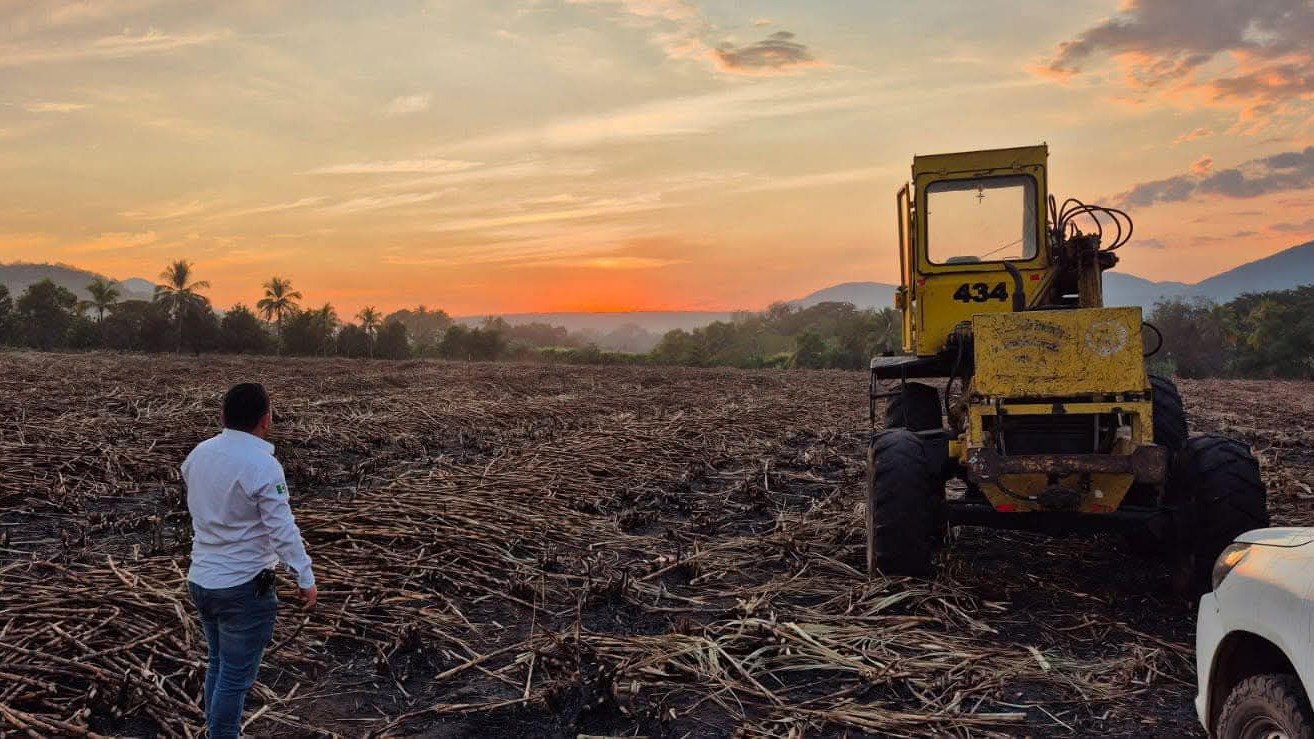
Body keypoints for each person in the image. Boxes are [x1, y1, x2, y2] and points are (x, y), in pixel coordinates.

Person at [183, 382, 317, 738]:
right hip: (242, 589)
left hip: (202, 581)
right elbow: (282, 529)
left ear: (223, 416)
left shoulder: (198, 455)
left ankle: (218, 732)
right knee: (234, 677)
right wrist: (304, 575)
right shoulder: (263, 465)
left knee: (219, 665)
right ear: (266, 420)